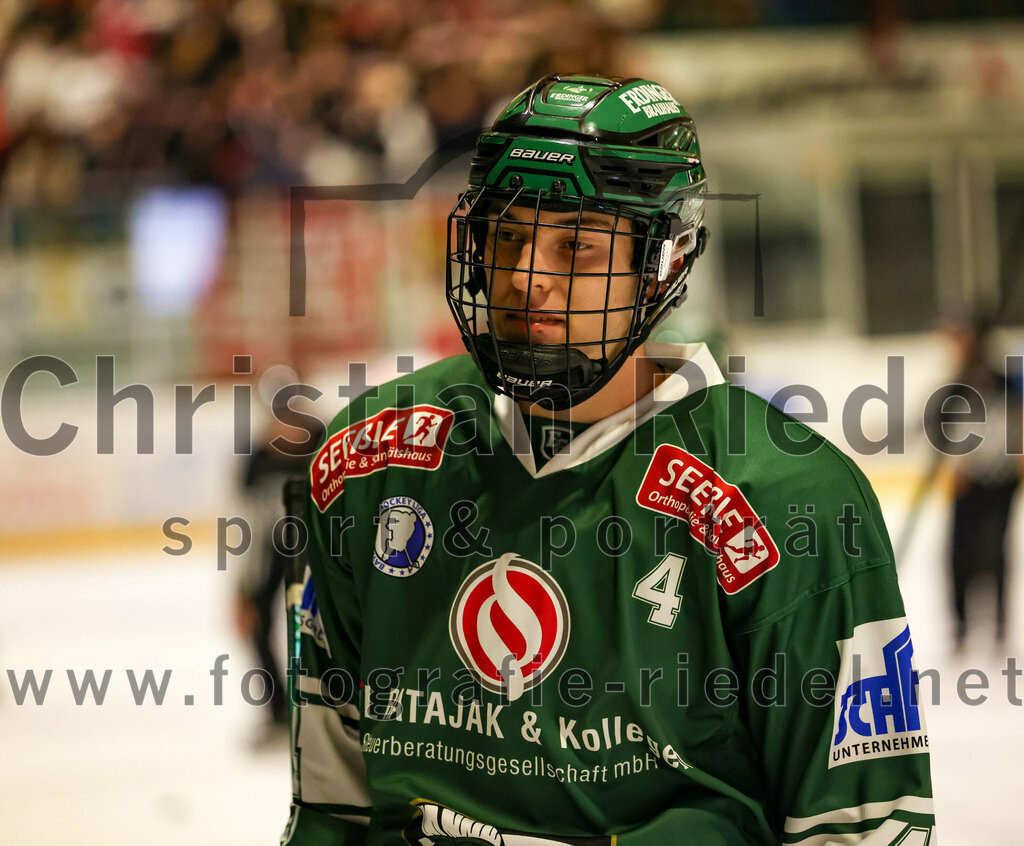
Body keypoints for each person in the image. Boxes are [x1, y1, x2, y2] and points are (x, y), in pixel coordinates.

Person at [282, 74, 935, 845]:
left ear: (663, 265)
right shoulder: (374, 456)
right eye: (509, 237)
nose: (527, 279)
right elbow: (333, 811)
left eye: (576, 247)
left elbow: (859, 829)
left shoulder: (789, 499)